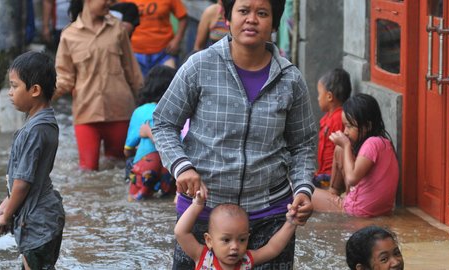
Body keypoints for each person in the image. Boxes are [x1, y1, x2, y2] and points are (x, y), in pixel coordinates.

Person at [152, 0, 317, 268]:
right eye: (243, 11)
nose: (252, 19)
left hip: (271, 215)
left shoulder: (291, 79)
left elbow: (303, 145)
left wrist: (302, 189)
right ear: (227, 17)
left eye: (262, 13)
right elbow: (163, 123)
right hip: (203, 211)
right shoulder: (199, 66)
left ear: (274, 23)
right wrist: (182, 168)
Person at [0, 51, 65, 269]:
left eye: (14, 86)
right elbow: (22, 182)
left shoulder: (36, 130)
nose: (10, 93)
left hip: (38, 221)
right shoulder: (41, 123)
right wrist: (3, 209)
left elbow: (23, 182)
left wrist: (7, 216)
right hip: (42, 217)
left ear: (35, 90)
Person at [54, 0, 143, 171]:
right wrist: (42, 98)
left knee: (117, 167)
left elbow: (132, 71)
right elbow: (65, 78)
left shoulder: (118, 29)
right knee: (87, 171)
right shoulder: (69, 35)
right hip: (86, 113)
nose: (110, 3)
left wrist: (146, 102)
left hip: (120, 112)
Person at [312, 93, 399, 217]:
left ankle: (334, 195)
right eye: (344, 126)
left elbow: (352, 179)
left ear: (367, 126)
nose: (345, 132)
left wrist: (346, 145)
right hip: (378, 210)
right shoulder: (384, 143)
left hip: (357, 210)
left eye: (349, 126)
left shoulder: (371, 144)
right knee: (340, 149)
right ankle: (334, 192)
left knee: (304, 192)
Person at [174, 190, 298, 269]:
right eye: (226, 240)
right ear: (209, 240)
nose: (235, 246)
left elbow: (273, 248)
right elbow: (180, 232)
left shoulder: (246, 260)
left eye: (242, 240)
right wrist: (197, 205)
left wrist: (291, 223)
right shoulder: (203, 257)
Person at [124, 65, 176, 200]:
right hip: (171, 165)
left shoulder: (140, 111)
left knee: (136, 202)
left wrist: (130, 155)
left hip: (146, 162)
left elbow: (128, 148)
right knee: (168, 199)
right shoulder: (177, 110)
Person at [120, 0, 188, 76]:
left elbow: (183, 17)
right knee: (138, 86)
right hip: (134, 53)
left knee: (167, 83)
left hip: (164, 53)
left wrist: (177, 40)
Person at [314, 68, 352, 189]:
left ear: (329, 96)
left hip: (331, 176)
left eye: (319, 94)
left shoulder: (339, 119)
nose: (318, 98)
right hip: (322, 172)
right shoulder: (327, 118)